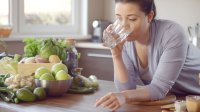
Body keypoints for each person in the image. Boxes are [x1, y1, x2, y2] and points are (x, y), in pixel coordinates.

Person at [95, 0, 200, 111]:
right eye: (119, 18)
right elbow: (127, 89)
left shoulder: (172, 33)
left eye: (132, 19)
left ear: (150, 16)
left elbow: (158, 88)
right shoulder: (126, 40)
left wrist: (125, 96)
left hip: (196, 98)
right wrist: (116, 55)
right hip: (178, 100)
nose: (123, 26)